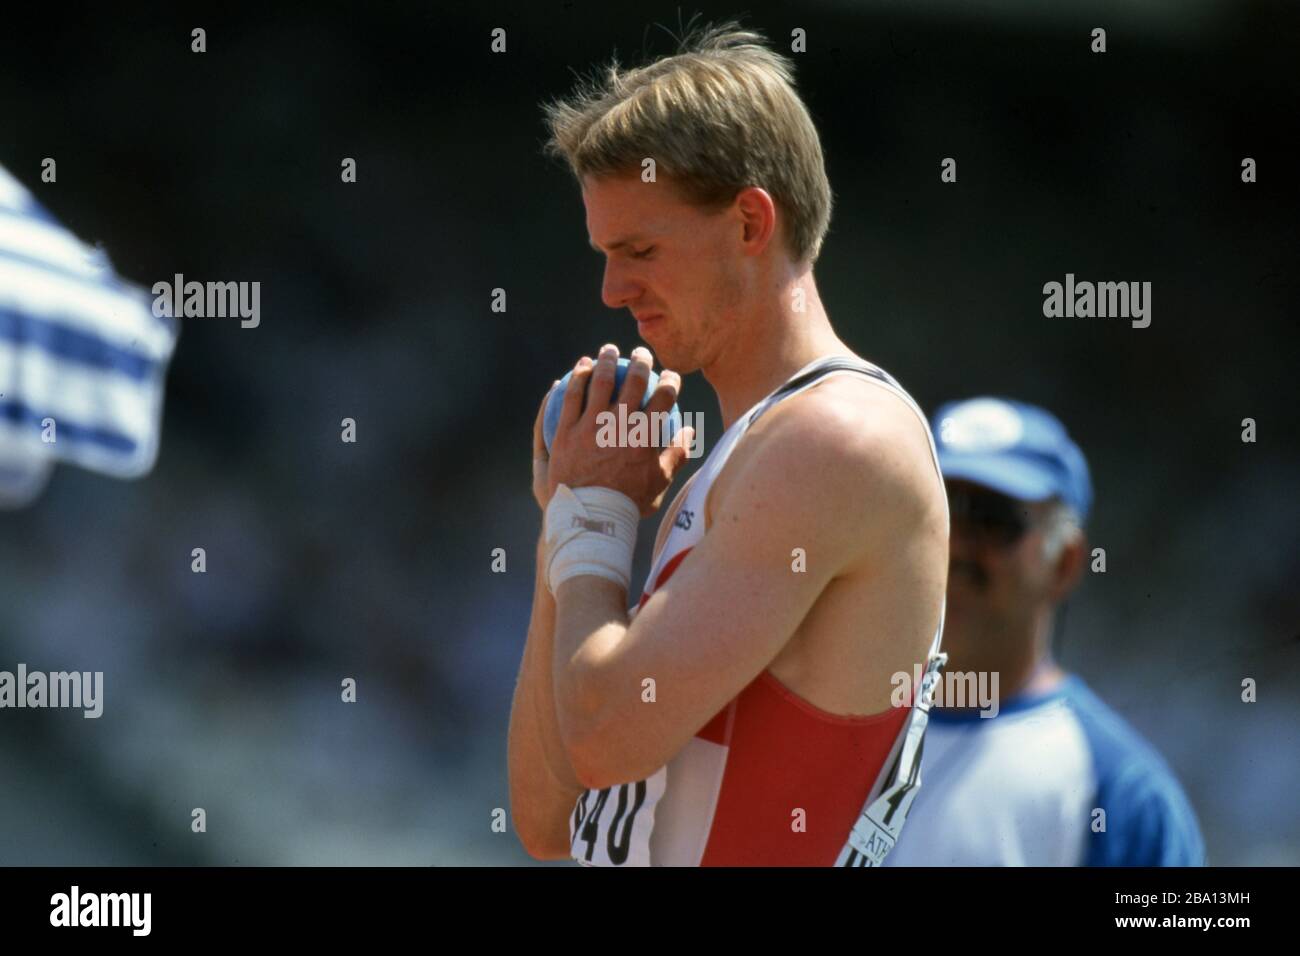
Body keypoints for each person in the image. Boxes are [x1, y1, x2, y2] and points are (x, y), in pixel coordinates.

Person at [508, 22, 949, 866]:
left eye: (639, 250)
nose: (611, 288)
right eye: (605, 254)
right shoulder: (743, 459)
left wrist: (596, 512)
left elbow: (604, 736)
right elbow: (549, 820)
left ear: (750, 223)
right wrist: (566, 513)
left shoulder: (837, 439)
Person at [885, 396, 1206, 866]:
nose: (954, 546)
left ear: (1066, 561)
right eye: (938, 508)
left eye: (993, 521)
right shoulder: (828, 725)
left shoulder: (1119, 794)